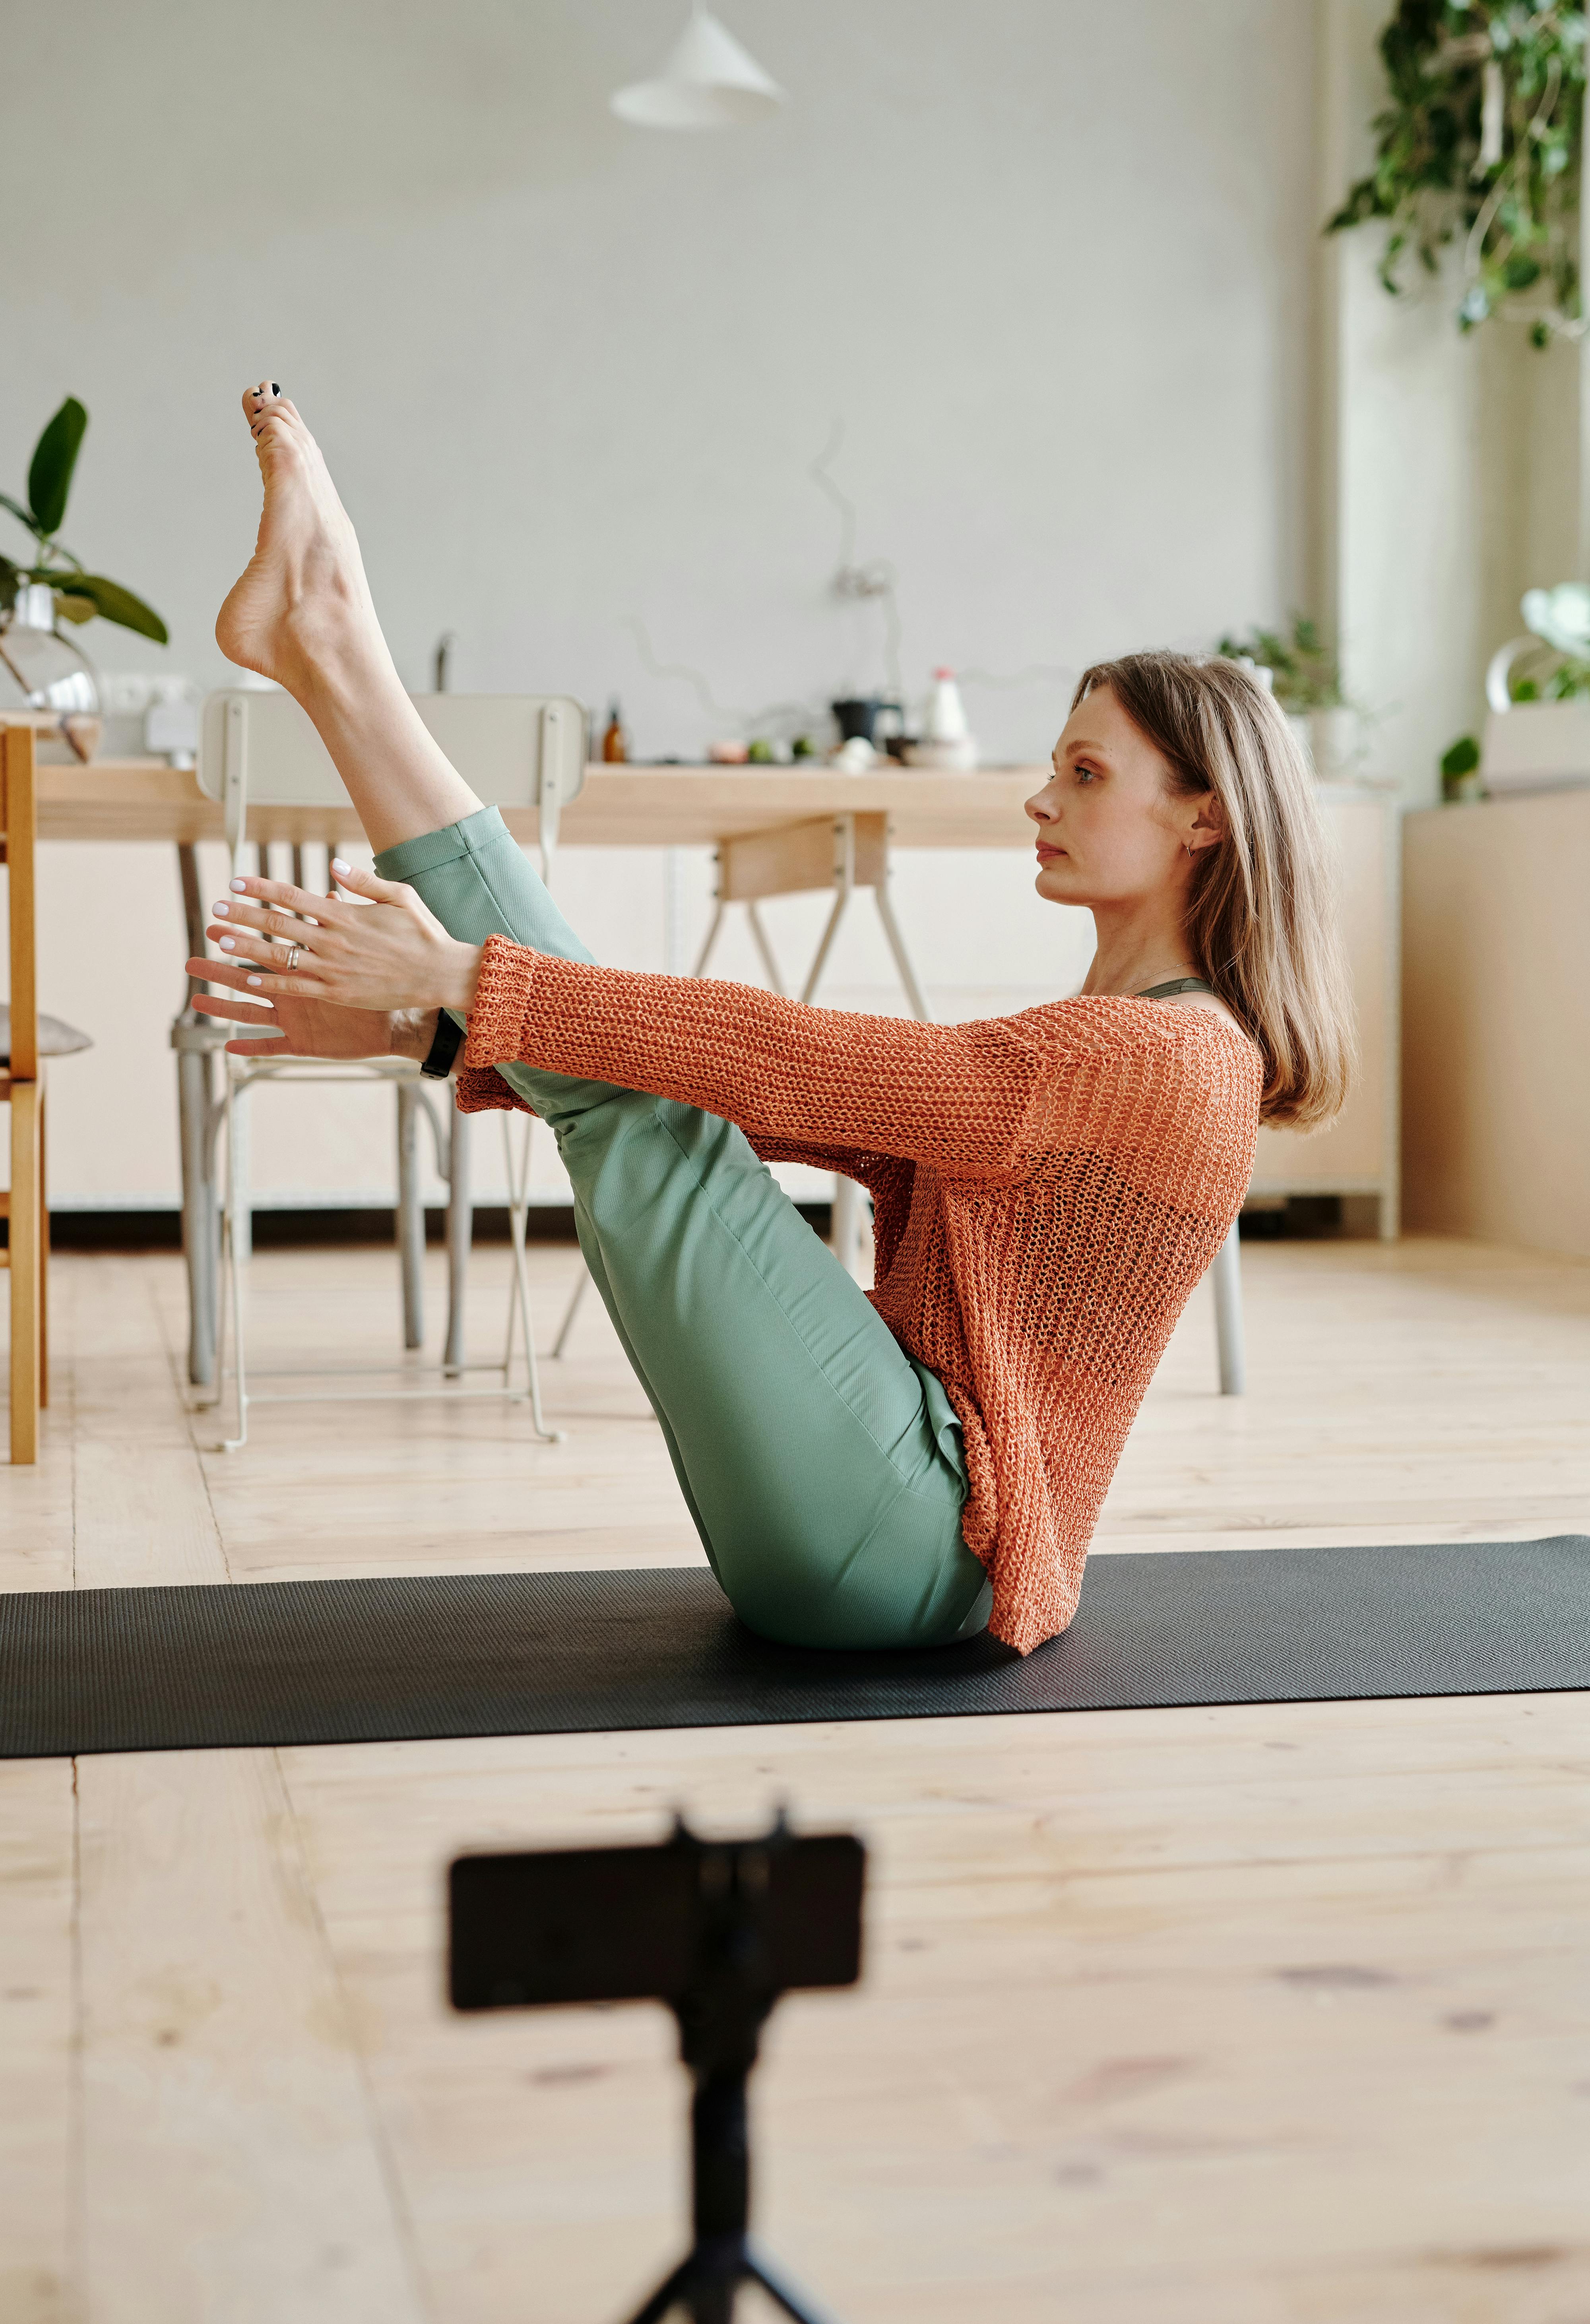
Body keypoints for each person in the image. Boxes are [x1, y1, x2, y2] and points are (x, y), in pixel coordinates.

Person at [188, 383, 1352, 1657]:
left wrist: (469, 985)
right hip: (888, 1529)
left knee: (652, 1121)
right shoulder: (1135, 1036)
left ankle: (337, 650)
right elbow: (816, 1109)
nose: (1040, 799)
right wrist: (438, 1034)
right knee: (642, 1104)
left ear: (1207, 818)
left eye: (1087, 773)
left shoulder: (1169, 1056)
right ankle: (331, 648)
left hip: (926, 1535)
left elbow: (803, 1067)